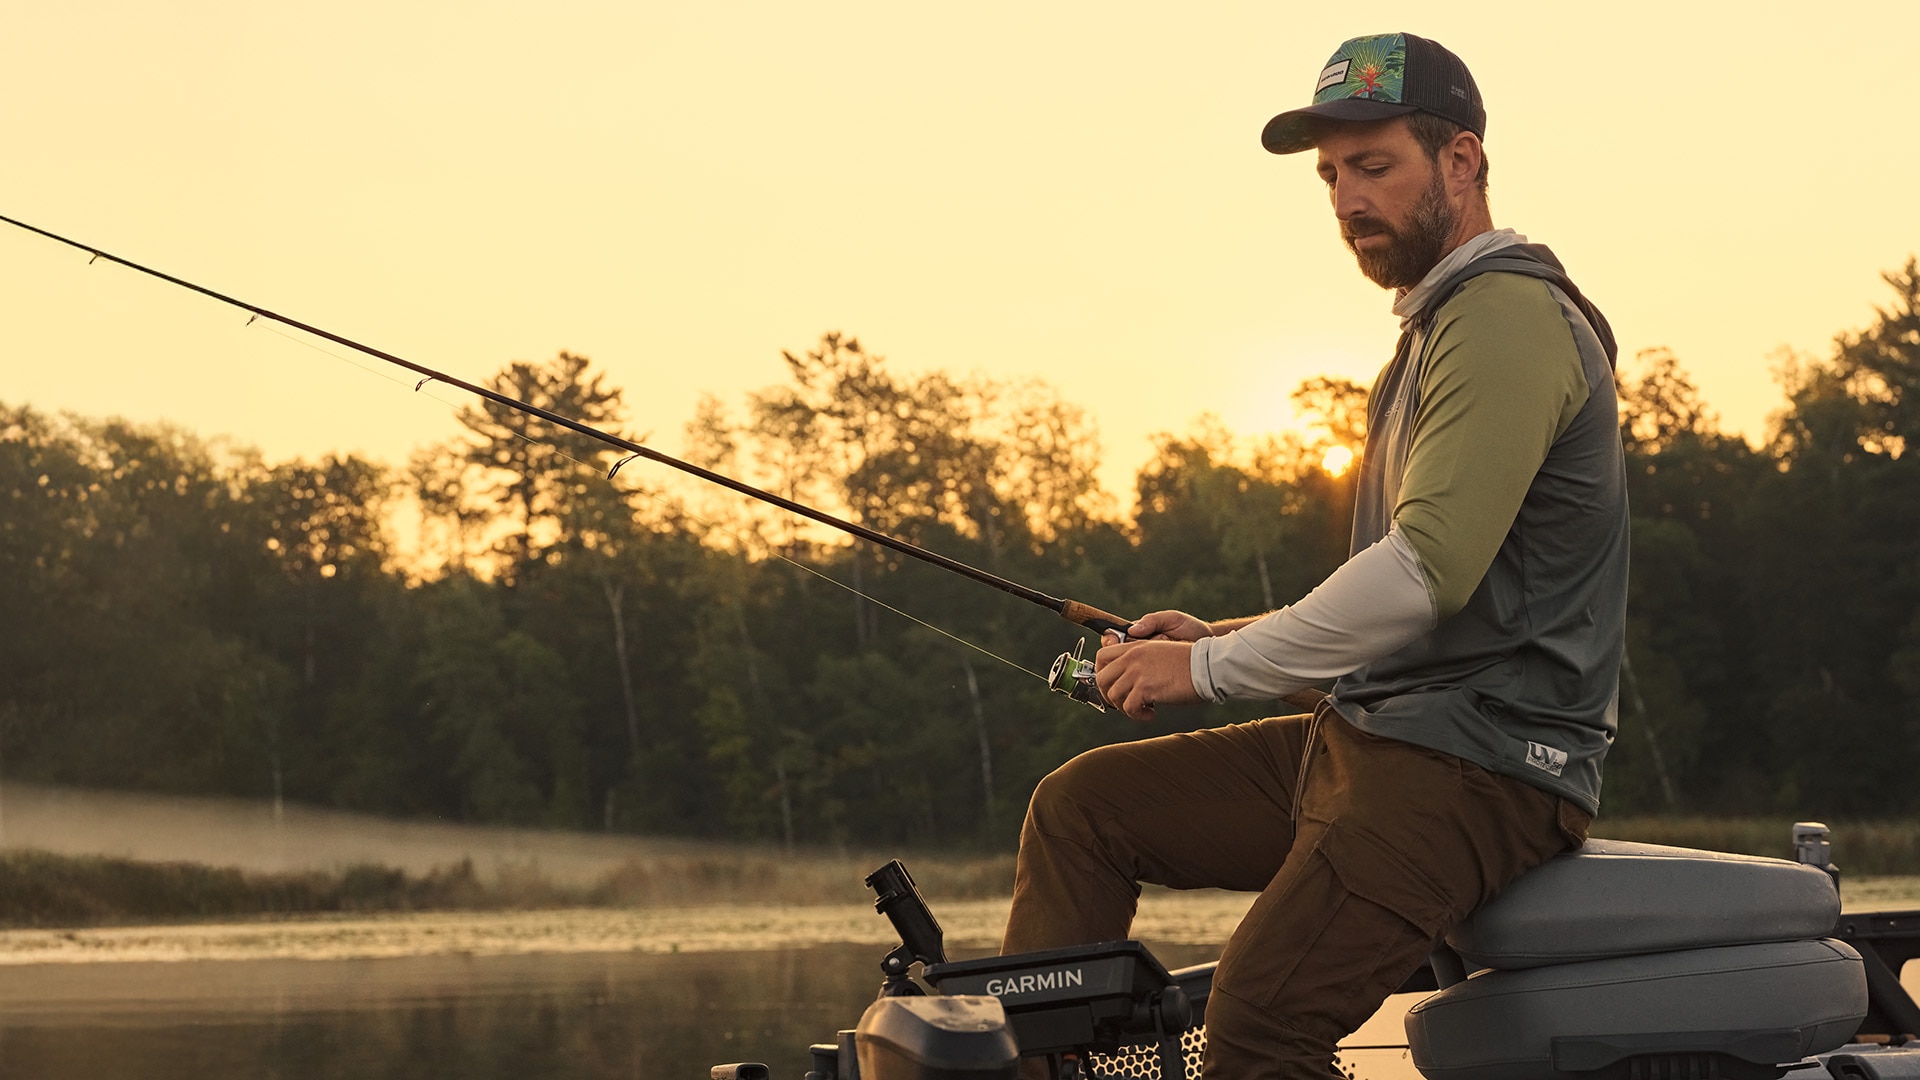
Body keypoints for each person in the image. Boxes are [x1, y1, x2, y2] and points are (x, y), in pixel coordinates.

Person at [999, 32, 1628, 1080]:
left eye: (1372, 165)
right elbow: (1397, 595)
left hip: (1476, 771)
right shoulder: (1431, 334)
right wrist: (1218, 637)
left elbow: (1423, 578)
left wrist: (1202, 672)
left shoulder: (1506, 317)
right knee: (1083, 811)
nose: (1344, 200)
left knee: (1257, 1028)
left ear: (1461, 163)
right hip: (1373, 737)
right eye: (1331, 175)